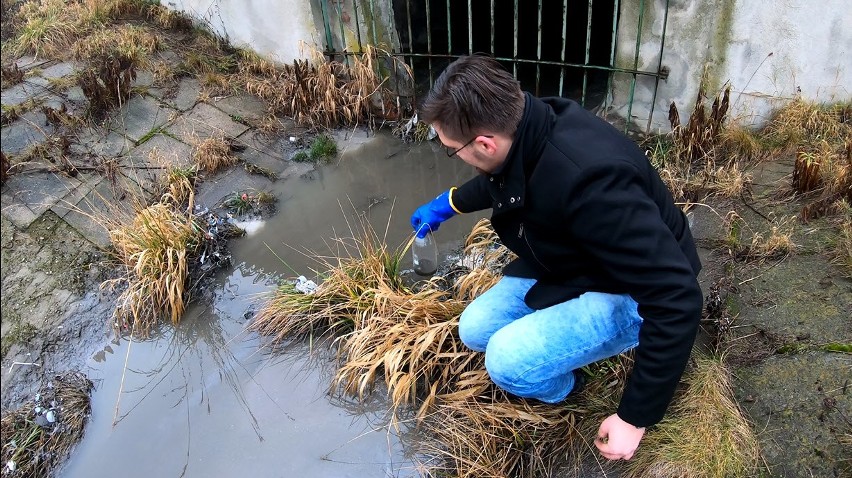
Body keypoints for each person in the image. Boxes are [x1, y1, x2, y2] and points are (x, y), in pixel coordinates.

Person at [409, 55, 703, 461]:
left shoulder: (594, 185)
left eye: (450, 149)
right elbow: (506, 179)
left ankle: (569, 388)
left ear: (484, 143)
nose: (453, 155)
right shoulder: (528, 122)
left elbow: (677, 297)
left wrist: (635, 417)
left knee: (507, 363)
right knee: (475, 329)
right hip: (577, 262)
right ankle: (562, 342)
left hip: (632, 290)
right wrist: (451, 202)